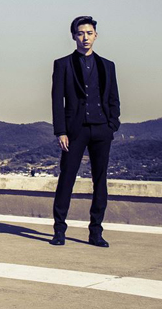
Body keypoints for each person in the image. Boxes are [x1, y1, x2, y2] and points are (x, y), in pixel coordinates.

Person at [50, 15, 121, 248]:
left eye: (89, 33)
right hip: (75, 131)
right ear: (74, 36)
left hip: (102, 130)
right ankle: (59, 230)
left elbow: (113, 98)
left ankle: (96, 232)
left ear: (96, 36)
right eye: (80, 33)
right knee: (67, 178)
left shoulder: (108, 66)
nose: (85, 38)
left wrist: (112, 124)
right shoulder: (62, 64)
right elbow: (57, 100)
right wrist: (61, 131)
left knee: (100, 181)